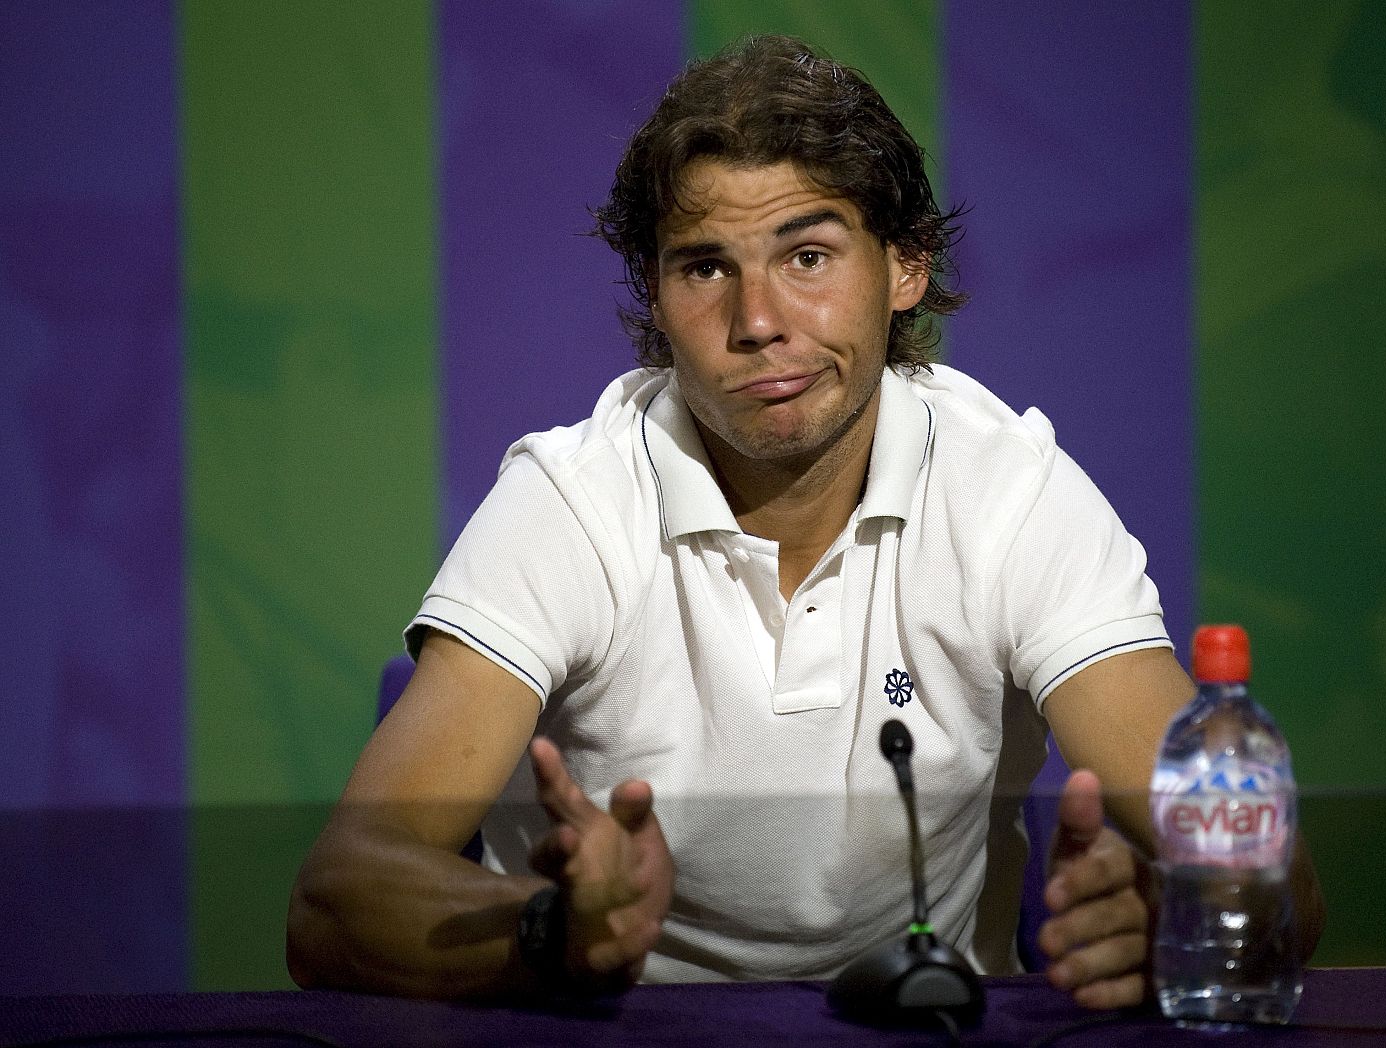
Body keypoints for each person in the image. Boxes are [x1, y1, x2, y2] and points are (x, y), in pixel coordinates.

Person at [288, 34, 1323, 1006]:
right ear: (654, 293)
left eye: (808, 255)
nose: (757, 322)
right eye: (704, 267)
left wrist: (1188, 917)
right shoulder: (573, 498)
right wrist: (550, 931)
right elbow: (332, 902)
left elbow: (1270, 878)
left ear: (905, 265)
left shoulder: (1009, 488)